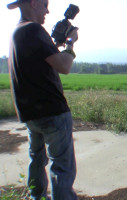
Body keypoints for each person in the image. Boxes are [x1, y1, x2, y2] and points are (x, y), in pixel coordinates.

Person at [7, 0, 78, 199]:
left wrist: (55, 45)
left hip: (31, 114)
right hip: (52, 112)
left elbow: (40, 60)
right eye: (45, 4)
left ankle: (36, 196)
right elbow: (64, 66)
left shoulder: (18, 32)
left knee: (37, 161)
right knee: (62, 169)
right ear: (34, 3)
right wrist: (71, 43)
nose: (48, 10)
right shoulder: (35, 30)